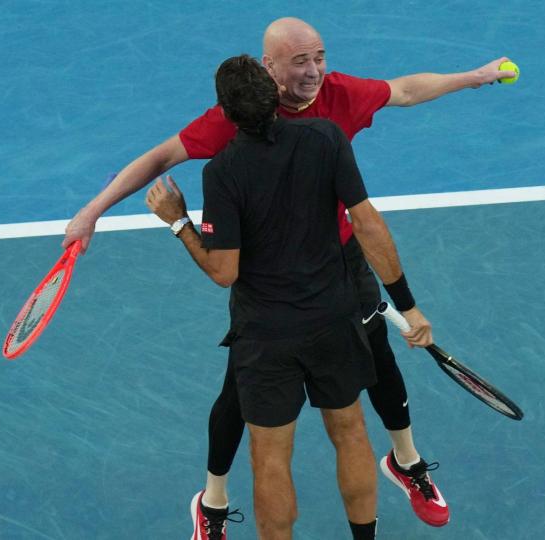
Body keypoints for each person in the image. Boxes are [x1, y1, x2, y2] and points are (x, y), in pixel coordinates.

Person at [63, 16, 516, 536]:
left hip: (336, 269)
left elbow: (407, 90)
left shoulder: (336, 99)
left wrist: (474, 76)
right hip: (268, 287)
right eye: (301, 61)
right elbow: (160, 157)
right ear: (269, 67)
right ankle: (212, 501)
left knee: (378, 364)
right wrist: (93, 210)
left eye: (319, 57)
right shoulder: (251, 124)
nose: (315, 71)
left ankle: (407, 462)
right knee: (243, 398)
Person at [146, 53, 432, 540]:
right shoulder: (326, 139)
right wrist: (407, 304)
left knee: (271, 459)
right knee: (351, 435)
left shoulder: (223, 173)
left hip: (266, 338)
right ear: (275, 98)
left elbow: (223, 271)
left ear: (227, 114)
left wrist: (178, 222)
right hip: (335, 321)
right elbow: (366, 224)